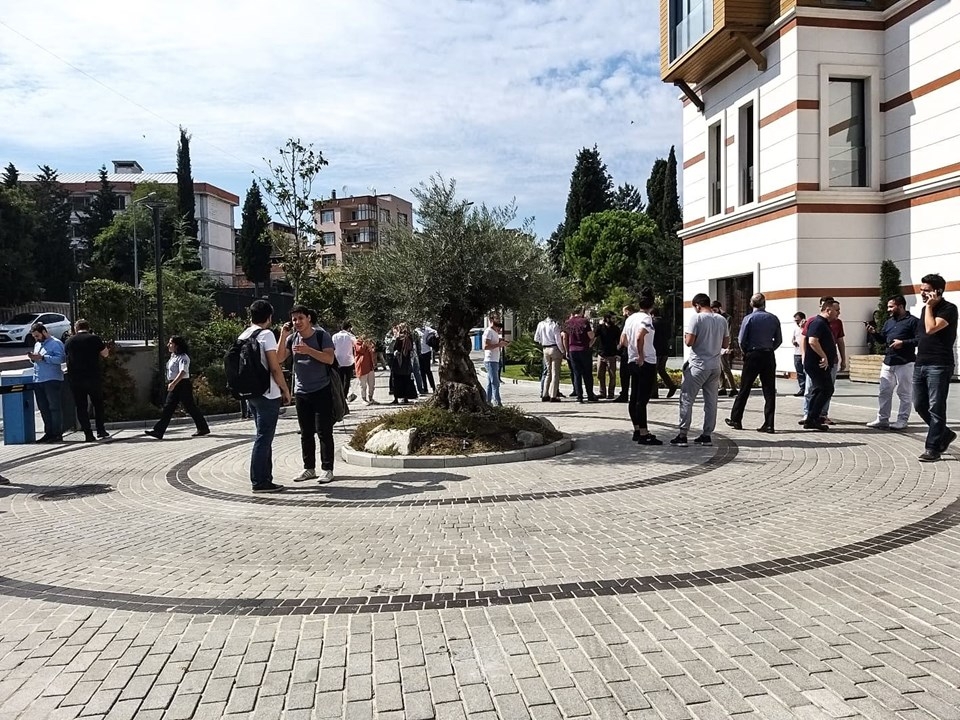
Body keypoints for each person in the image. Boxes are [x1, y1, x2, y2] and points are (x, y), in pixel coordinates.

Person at [278, 305, 337, 482]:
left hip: (321, 389)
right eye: (294, 319)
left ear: (309, 318)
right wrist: (283, 335)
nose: (297, 322)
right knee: (305, 433)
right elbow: (279, 358)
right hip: (302, 392)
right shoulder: (292, 338)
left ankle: (327, 468)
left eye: (300, 318)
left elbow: (329, 358)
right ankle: (309, 468)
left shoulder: (321, 335)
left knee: (324, 431)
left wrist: (308, 351)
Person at [240, 300, 292, 493]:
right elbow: (275, 366)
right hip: (268, 393)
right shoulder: (266, 334)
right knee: (264, 437)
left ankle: (266, 478)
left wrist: (284, 336)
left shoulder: (245, 334)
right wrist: (285, 389)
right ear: (269, 317)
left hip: (252, 393)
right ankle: (259, 481)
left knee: (263, 436)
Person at [671, 294, 729, 447]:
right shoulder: (721, 319)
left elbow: (689, 342)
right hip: (715, 366)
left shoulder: (696, 319)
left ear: (697, 305)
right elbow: (725, 344)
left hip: (698, 365)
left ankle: (683, 435)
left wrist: (685, 337)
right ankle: (707, 435)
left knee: (686, 399)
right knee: (711, 402)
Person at [913, 274, 957, 462]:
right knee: (920, 404)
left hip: (939, 364)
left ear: (937, 291)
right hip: (921, 362)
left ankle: (932, 448)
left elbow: (931, 329)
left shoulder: (949, 309)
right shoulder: (925, 310)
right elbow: (921, 335)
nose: (922, 293)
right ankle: (944, 433)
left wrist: (930, 307)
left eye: (926, 290)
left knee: (936, 407)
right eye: (921, 289)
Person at [725, 293, 782, 433]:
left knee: (745, 388)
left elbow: (741, 340)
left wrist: (746, 352)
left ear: (751, 304)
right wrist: (769, 348)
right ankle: (769, 424)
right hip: (768, 354)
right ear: (764, 303)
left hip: (753, 354)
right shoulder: (773, 318)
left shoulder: (748, 318)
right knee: (769, 390)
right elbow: (779, 340)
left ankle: (736, 419)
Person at [865, 295, 920, 430]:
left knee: (904, 393)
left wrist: (903, 343)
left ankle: (902, 420)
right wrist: (874, 333)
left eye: (891, 306)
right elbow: (882, 340)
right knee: (884, 391)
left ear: (900, 306)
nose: (888, 309)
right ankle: (882, 419)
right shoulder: (889, 322)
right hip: (888, 361)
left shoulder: (913, 321)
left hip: (905, 362)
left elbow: (920, 339)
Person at [144, 336, 210, 440]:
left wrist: (174, 383)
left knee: (189, 407)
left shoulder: (183, 357)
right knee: (168, 408)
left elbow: (183, 372)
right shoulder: (173, 356)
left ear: (176, 345)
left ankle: (203, 428)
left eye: (170, 343)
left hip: (182, 384)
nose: (168, 345)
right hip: (175, 383)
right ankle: (159, 431)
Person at [621, 292, 661, 445]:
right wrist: (641, 355)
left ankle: (637, 429)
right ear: (652, 305)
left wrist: (632, 351)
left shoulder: (630, 318)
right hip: (646, 360)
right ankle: (644, 433)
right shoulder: (646, 318)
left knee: (634, 396)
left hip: (632, 360)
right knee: (642, 399)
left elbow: (623, 339)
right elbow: (639, 336)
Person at [800, 298, 846, 425]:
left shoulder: (825, 323)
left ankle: (812, 418)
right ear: (828, 309)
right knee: (826, 389)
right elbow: (812, 341)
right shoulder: (817, 322)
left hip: (821, 363)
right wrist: (824, 356)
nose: (839, 313)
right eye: (836, 310)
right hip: (816, 363)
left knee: (820, 390)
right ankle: (813, 417)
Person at [64, 319, 109, 442]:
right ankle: (101, 430)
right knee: (98, 404)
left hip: (76, 378)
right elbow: (105, 354)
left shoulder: (69, 341)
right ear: (88, 327)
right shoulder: (94, 338)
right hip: (93, 377)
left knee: (81, 406)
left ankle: (88, 433)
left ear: (76, 328)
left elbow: (66, 355)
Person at [27, 323, 66, 443]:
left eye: (37, 335)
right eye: (34, 336)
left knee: (54, 407)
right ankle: (48, 433)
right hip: (38, 379)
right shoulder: (37, 344)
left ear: (44, 332)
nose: (36, 338)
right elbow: (37, 361)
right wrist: (33, 358)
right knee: (44, 408)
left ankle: (57, 433)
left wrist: (44, 358)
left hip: (52, 379)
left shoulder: (56, 343)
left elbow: (61, 359)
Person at [562, 307, 598, 402]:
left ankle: (579, 396)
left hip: (572, 350)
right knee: (587, 373)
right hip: (584, 349)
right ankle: (590, 395)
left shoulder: (568, 323)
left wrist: (566, 351)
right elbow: (591, 335)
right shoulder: (584, 321)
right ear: (581, 312)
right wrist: (591, 342)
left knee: (576, 373)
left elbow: (565, 337)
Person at [534, 313, 563, 402]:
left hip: (545, 348)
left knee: (548, 372)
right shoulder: (555, 325)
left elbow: (536, 338)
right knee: (555, 373)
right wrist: (563, 351)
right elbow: (558, 340)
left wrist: (542, 341)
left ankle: (545, 394)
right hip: (554, 347)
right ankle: (553, 395)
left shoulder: (541, 324)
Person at [712, 301, 738, 396]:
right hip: (716, 345)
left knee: (725, 367)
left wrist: (728, 346)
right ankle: (722, 387)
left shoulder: (727, 318)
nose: (714, 312)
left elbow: (730, 333)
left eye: (715, 310)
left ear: (719, 308)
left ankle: (733, 388)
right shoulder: (714, 317)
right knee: (718, 367)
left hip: (724, 345)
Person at [650, 307, 677, 399]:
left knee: (653, 371)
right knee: (661, 370)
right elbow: (670, 335)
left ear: (652, 314)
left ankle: (654, 392)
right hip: (664, 349)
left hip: (655, 349)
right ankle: (671, 386)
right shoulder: (666, 322)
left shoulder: (652, 323)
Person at [389, 323, 419, 404]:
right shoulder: (410, 338)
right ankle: (406, 397)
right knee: (406, 380)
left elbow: (393, 348)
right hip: (407, 362)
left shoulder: (398, 338)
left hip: (398, 362)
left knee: (396, 380)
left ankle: (396, 398)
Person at [482, 314, 508, 406]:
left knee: (490, 382)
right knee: (495, 382)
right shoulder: (488, 331)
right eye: (497, 318)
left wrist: (500, 341)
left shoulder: (495, 332)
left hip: (495, 360)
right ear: (491, 319)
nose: (499, 320)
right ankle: (497, 403)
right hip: (490, 360)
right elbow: (485, 346)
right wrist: (499, 345)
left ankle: (487, 402)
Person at [595, 312, 621, 400]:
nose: (614, 320)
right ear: (607, 318)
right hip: (601, 354)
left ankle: (611, 393)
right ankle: (602, 392)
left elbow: (619, 341)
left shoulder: (616, 329)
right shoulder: (600, 328)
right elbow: (594, 336)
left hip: (611, 355)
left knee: (612, 375)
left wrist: (618, 353)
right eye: (612, 318)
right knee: (599, 374)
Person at [331, 321, 358, 402]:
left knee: (340, 379)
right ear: (349, 328)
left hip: (338, 360)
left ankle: (340, 395)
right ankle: (345, 396)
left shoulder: (335, 336)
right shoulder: (350, 336)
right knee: (347, 379)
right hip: (348, 360)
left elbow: (332, 347)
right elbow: (356, 345)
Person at [614, 306, 634, 402]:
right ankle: (633, 394)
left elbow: (623, 335)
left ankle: (624, 394)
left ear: (627, 311)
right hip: (636, 349)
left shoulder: (627, 321)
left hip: (627, 350)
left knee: (624, 374)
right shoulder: (638, 320)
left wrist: (620, 346)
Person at [354, 336, 377, 405]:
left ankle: (371, 398)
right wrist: (364, 344)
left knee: (372, 384)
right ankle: (364, 399)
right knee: (363, 385)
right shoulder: (357, 343)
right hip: (362, 367)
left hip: (370, 366)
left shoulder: (370, 343)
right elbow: (361, 350)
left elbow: (373, 351)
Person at [417, 322, 438, 394]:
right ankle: (425, 388)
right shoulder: (416, 331)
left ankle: (433, 387)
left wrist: (432, 339)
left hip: (427, 352)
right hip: (419, 353)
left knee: (428, 371)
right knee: (422, 371)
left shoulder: (427, 329)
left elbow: (436, 332)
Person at [792, 312, 806, 396]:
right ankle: (802, 388)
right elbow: (793, 338)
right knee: (799, 372)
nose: (797, 323)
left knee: (806, 372)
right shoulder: (795, 329)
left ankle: (808, 388)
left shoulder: (807, 328)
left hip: (805, 353)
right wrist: (793, 342)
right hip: (797, 353)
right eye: (795, 321)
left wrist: (803, 327)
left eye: (798, 320)